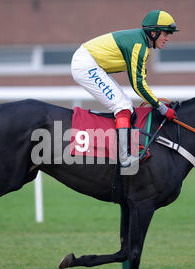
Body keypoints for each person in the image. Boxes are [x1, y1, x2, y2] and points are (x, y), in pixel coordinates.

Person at [71, 9, 179, 168]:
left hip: (90, 62)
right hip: (85, 64)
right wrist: (161, 108)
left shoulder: (141, 43)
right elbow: (138, 86)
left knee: (126, 104)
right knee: (121, 106)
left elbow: (138, 81)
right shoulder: (139, 46)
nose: (167, 38)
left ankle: (123, 150)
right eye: (165, 33)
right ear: (154, 32)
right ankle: (123, 156)